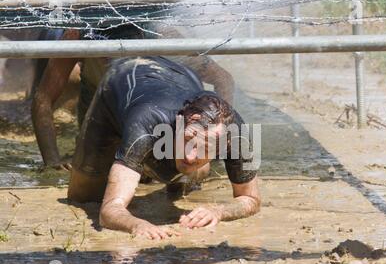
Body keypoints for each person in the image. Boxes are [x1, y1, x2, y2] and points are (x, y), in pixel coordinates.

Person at [67, 56, 260, 240]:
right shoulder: (147, 124)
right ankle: (136, 163)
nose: (191, 156)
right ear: (178, 123)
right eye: (188, 139)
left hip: (180, 76)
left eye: (206, 149)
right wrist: (137, 225)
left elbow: (251, 199)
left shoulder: (237, 134)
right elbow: (109, 210)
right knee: (84, 197)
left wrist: (218, 211)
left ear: (222, 147)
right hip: (121, 80)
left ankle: (168, 169)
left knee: (193, 169)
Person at [31, 25, 235, 170]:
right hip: (102, 124)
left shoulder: (161, 34)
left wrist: (216, 148)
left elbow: (224, 79)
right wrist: (51, 160)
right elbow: (43, 99)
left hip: (154, 127)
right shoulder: (81, 33)